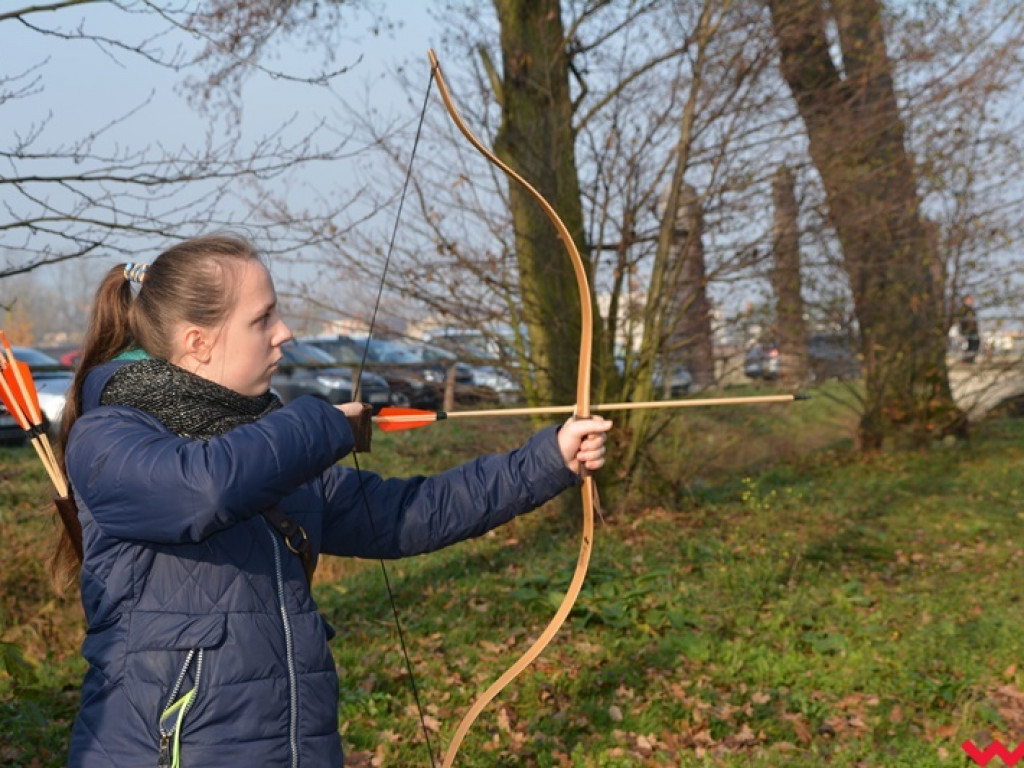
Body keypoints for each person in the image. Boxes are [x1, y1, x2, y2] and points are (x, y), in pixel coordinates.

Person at [55, 233, 611, 768]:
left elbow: (407, 514)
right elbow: (202, 489)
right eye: (262, 319)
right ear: (197, 341)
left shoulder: (269, 447)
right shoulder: (110, 436)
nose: (285, 332)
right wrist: (321, 424)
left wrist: (549, 460)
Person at [958, 294, 981, 364]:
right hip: (966, 332)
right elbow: (961, 321)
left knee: (975, 344)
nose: (972, 301)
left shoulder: (971, 310)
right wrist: (961, 333)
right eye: (970, 299)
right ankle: (966, 360)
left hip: (973, 332)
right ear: (966, 300)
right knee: (966, 346)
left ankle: (970, 359)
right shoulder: (963, 309)